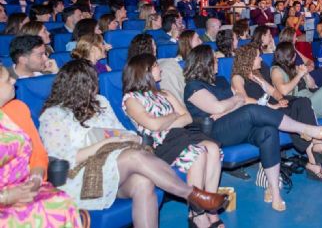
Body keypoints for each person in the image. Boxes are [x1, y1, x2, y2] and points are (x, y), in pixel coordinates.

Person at [39, 60, 227, 228]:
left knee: (143, 183)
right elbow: (63, 158)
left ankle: (196, 201)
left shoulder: (100, 103)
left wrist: (126, 138)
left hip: (113, 167)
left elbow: (124, 131)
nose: (95, 87)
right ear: (76, 86)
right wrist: (107, 143)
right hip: (81, 175)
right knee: (134, 156)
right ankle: (193, 195)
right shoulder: (53, 115)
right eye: (91, 83)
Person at [182, 44, 322, 212]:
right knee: (252, 109)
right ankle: (305, 129)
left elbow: (231, 104)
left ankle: (274, 191)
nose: (218, 62)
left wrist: (229, 104)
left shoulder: (220, 81)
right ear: (204, 62)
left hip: (232, 125)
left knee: (268, 131)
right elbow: (222, 107)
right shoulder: (193, 87)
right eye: (214, 60)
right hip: (213, 132)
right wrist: (232, 103)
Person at [122, 54, 228, 227]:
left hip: (181, 134)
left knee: (214, 150)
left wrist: (166, 121)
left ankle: (211, 209)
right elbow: (153, 126)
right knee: (199, 154)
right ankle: (197, 213)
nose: (160, 68)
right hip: (160, 144)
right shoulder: (131, 99)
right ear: (145, 71)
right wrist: (172, 116)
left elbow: (187, 118)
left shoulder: (164, 92)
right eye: (156, 65)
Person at [231, 44, 322, 181]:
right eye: (257, 56)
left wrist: (281, 99)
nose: (260, 59)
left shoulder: (256, 75)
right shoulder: (237, 77)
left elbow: (272, 91)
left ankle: (315, 150)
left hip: (271, 105)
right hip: (259, 111)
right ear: (248, 59)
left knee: (303, 102)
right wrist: (271, 106)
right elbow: (243, 100)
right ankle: (315, 155)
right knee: (298, 113)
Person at [0, 66, 85, 227]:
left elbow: (38, 154)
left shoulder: (17, 109)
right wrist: (6, 197)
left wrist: (35, 180)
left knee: (60, 201)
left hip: (25, 186)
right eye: (6, 80)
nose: (14, 80)